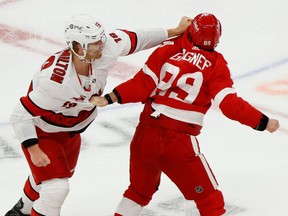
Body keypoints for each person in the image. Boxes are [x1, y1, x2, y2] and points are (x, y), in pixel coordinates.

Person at [89, 13, 280, 216]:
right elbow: (228, 104)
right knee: (210, 200)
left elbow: (142, 84)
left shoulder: (169, 48)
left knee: (138, 192)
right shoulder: (216, 64)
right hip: (178, 142)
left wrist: (110, 98)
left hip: (146, 135)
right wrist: (262, 121)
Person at [5, 14, 191, 216]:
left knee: (50, 179)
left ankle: (21, 210)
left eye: (100, 40)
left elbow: (136, 38)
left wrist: (174, 31)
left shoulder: (104, 48)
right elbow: (20, 114)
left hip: (71, 130)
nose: (101, 46)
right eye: (94, 44)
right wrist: (33, 148)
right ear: (77, 47)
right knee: (56, 189)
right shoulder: (55, 82)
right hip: (44, 131)